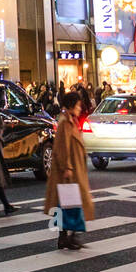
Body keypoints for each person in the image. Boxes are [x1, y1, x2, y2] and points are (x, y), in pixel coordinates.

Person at [44, 91, 95, 250]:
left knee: (64, 204)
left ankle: (64, 237)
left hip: (70, 169)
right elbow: (62, 147)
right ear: (72, 106)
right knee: (72, 204)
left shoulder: (70, 120)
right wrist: (67, 167)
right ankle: (72, 236)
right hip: (68, 170)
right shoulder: (66, 123)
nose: (80, 108)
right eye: (78, 105)